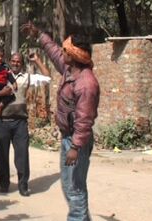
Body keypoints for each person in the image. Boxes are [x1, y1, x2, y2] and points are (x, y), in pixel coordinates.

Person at [22, 21, 100, 220]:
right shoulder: (69, 70)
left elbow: (84, 121)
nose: (62, 53)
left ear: (73, 56)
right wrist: (39, 34)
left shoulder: (86, 84)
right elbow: (53, 50)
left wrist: (75, 147)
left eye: (66, 50)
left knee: (75, 188)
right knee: (69, 186)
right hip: (68, 138)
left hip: (76, 142)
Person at [0, 50, 52, 197]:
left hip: (20, 123)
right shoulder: (0, 75)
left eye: (19, 61)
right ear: (9, 61)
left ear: (21, 64)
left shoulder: (27, 77)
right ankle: (4, 185)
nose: (16, 63)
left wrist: (37, 60)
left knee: (22, 155)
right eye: (14, 61)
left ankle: (23, 186)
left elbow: (48, 78)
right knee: (2, 155)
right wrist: (0, 94)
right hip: (1, 122)